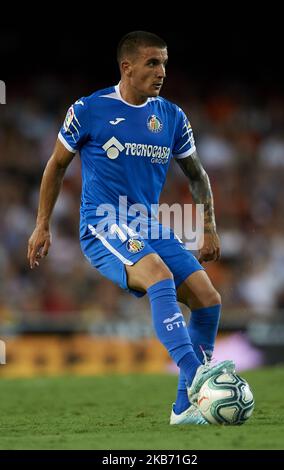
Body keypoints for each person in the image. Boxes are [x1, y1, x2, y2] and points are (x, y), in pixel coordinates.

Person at [27, 31, 235, 425]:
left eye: (165, 64)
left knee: (209, 299)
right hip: (103, 223)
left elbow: (196, 173)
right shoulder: (90, 109)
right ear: (127, 66)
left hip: (148, 224)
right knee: (157, 274)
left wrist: (208, 225)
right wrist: (42, 226)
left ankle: (184, 409)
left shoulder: (171, 116)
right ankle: (197, 377)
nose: (161, 72)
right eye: (153, 63)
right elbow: (56, 165)